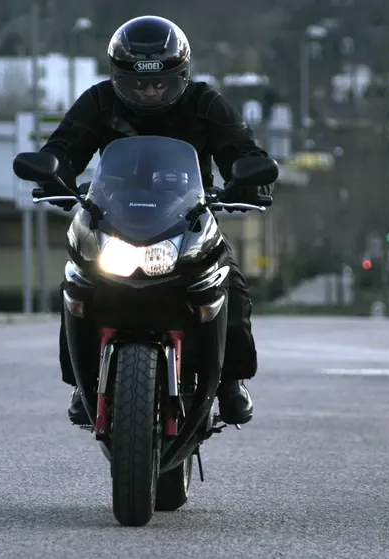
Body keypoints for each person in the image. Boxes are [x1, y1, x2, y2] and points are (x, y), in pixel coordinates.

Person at [28, 15, 275, 427]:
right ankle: (81, 381)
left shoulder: (204, 103)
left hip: (187, 217)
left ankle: (231, 381)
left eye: (160, 83)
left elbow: (239, 149)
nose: (148, 91)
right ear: (118, 77)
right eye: (137, 83)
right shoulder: (99, 102)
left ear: (180, 75)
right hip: (110, 220)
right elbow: (66, 146)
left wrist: (248, 175)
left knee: (228, 281)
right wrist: (53, 169)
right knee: (78, 280)